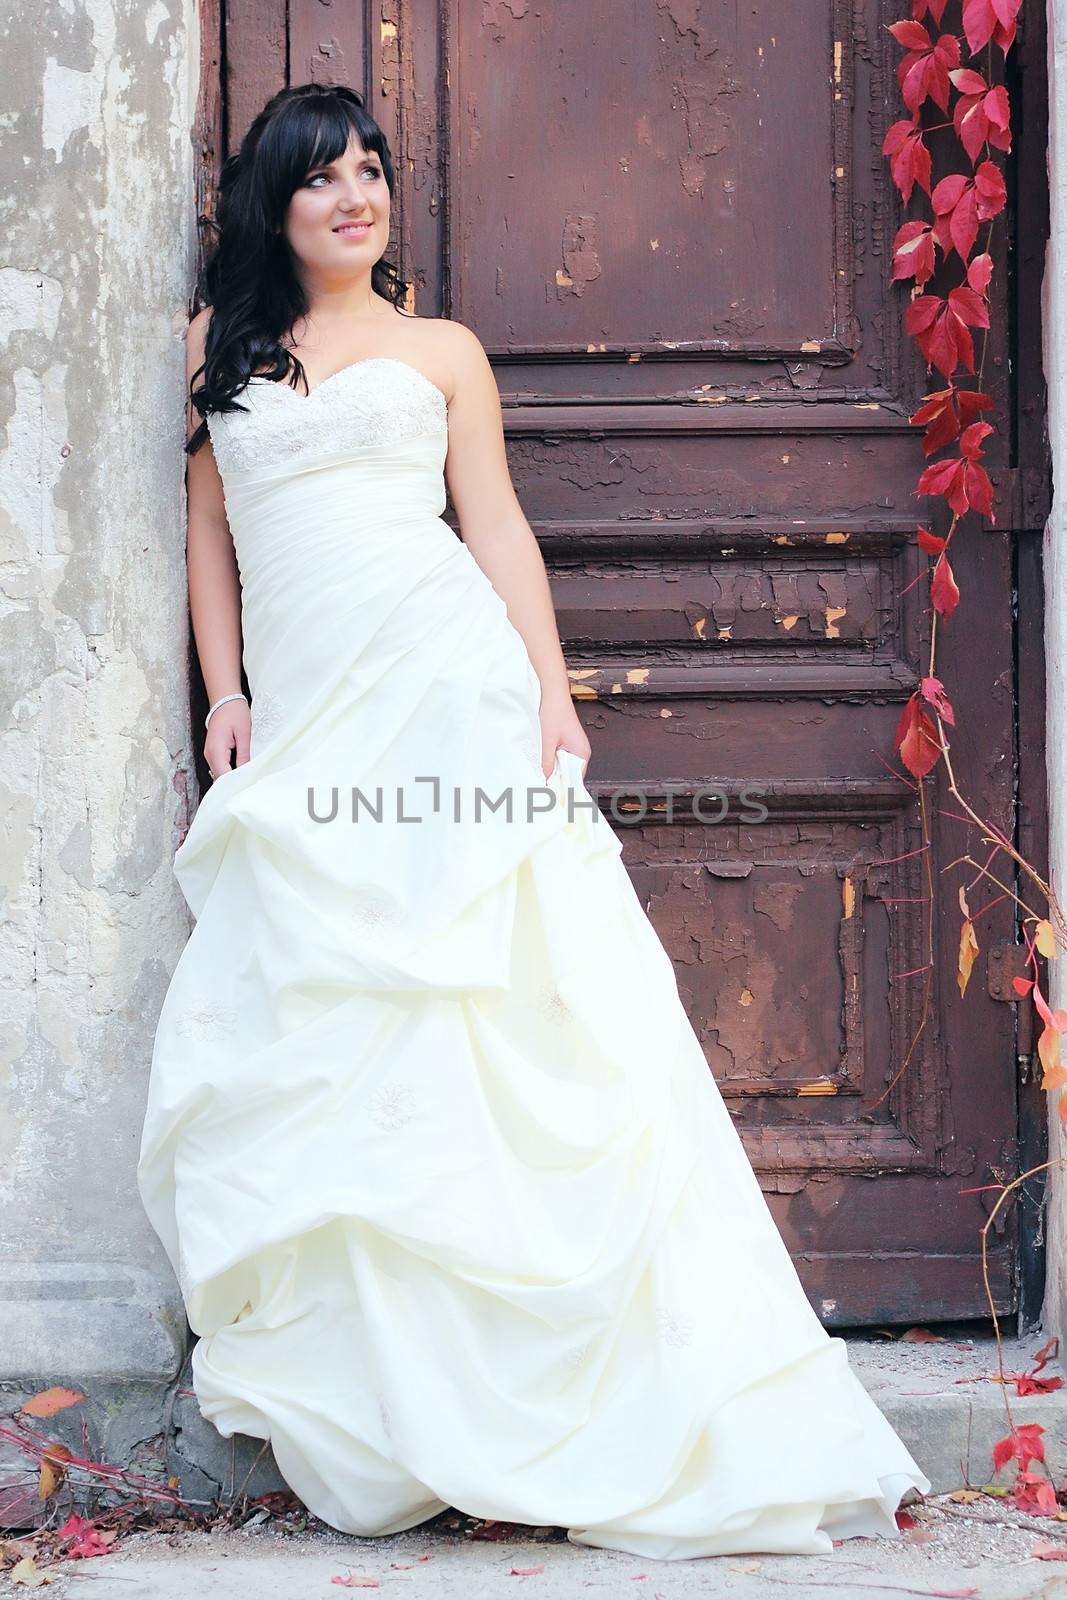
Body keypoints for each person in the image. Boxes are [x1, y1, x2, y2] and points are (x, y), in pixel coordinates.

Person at [136, 81, 932, 1561]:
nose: (353, 196)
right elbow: (205, 533)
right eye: (321, 178)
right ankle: (398, 1396)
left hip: (445, 686)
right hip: (313, 716)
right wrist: (225, 695)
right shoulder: (216, 356)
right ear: (274, 204)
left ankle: (559, 1382)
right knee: (339, 1009)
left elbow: (491, 521)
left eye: (371, 170)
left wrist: (552, 699)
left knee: (498, 1001)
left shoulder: (440, 350)